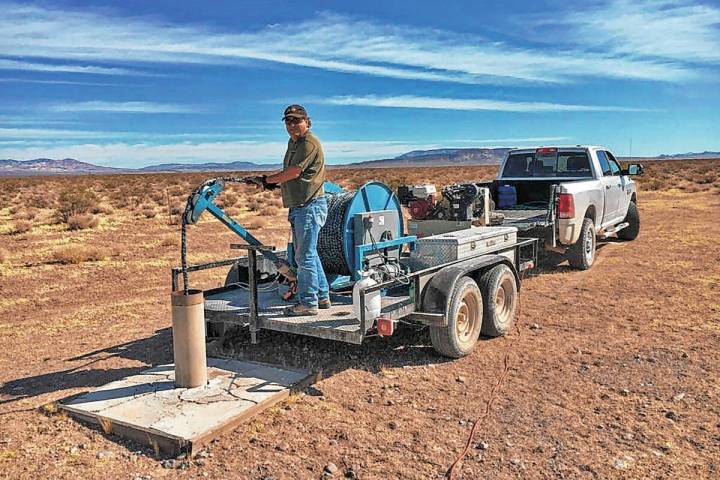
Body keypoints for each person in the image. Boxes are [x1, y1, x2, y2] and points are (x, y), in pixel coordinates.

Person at [257, 104, 330, 316]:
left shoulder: (309, 143)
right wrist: (270, 181)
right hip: (300, 206)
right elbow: (289, 172)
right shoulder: (294, 143)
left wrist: (268, 180)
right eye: (288, 121)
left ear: (307, 122)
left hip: (309, 206)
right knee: (308, 254)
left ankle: (308, 304)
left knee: (304, 257)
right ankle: (322, 296)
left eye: (297, 120)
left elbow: (295, 172)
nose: (292, 125)